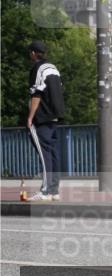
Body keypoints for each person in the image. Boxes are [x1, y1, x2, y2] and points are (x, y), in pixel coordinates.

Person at [25, 40, 65, 202]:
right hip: (55, 116)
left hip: (42, 117)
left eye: (30, 52)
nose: (30, 55)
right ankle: (54, 190)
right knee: (54, 153)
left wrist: (30, 117)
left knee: (44, 154)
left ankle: (46, 191)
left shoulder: (37, 68)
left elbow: (37, 94)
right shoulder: (53, 68)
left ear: (34, 53)